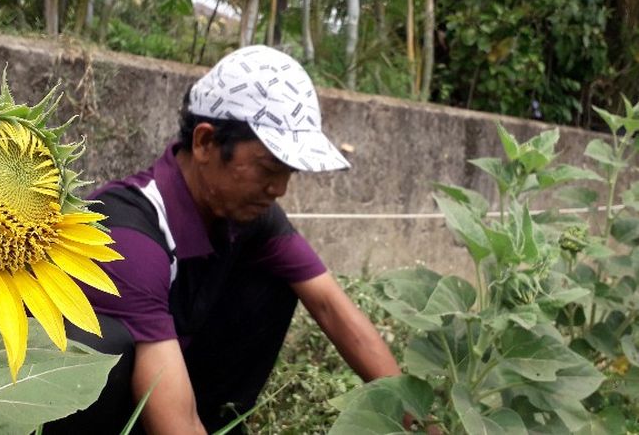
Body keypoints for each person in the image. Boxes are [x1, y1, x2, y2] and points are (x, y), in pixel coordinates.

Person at [44, 45, 401, 434]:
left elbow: (331, 306)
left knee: (276, 281)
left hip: (167, 380)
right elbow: (176, 425)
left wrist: (415, 419)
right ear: (204, 142)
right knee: (109, 345)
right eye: (268, 167)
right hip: (81, 407)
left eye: (289, 172)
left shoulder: (245, 214)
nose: (280, 188)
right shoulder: (129, 236)